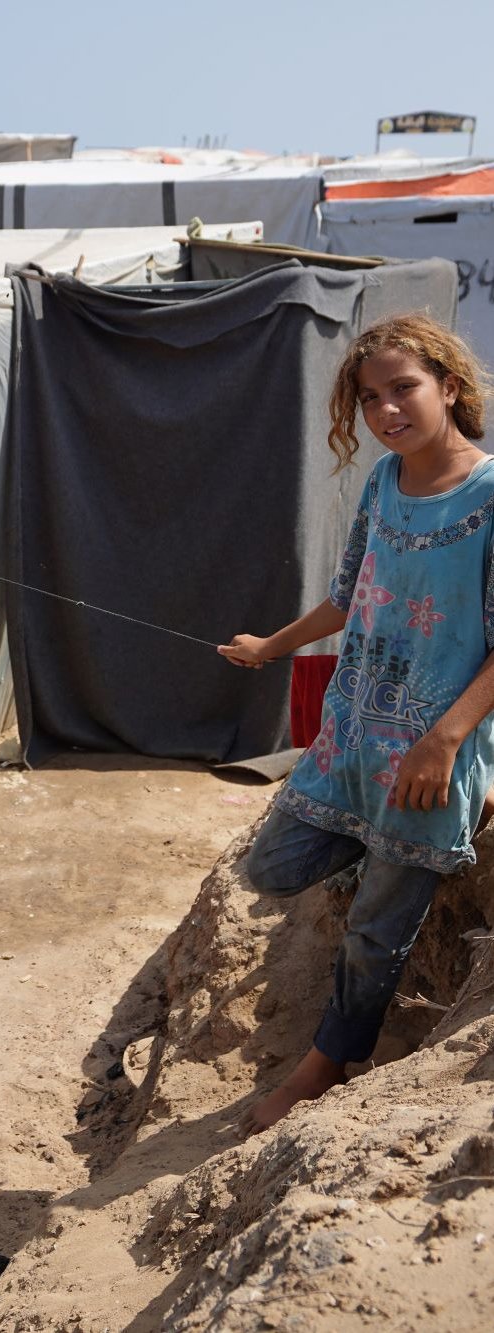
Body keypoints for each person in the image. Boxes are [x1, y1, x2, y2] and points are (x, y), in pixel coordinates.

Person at [219, 313, 494, 1135]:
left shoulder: (489, 498)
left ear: (449, 385)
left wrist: (445, 742)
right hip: (349, 734)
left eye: (402, 388)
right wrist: (271, 645)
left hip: (429, 746)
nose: (386, 411)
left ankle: (327, 1060)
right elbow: (346, 594)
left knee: (375, 932)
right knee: (270, 869)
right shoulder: (381, 483)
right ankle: (398, 853)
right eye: (369, 398)